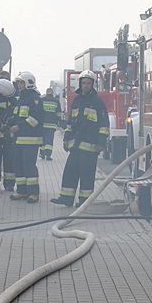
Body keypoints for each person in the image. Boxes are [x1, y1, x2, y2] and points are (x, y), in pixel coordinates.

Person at [51, 70, 109, 207]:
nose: (86, 85)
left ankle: (84, 202)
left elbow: (104, 124)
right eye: (84, 83)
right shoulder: (77, 101)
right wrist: (66, 139)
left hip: (90, 147)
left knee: (87, 176)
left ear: (93, 84)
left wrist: (101, 143)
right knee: (70, 172)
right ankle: (66, 198)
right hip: (75, 146)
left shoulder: (97, 102)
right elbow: (70, 122)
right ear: (80, 83)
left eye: (89, 83)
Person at [9, 71, 44, 203]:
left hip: (31, 140)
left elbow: (36, 118)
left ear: (28, 83)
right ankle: (22, 191)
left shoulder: (35, 99)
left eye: (21, 82)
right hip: (18, 140)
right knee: (18, 165)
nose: (19, 85)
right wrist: (10, 122)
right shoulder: (21, 99)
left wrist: (20, 127)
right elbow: (17, 116)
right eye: (18, 82)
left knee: (29, 166)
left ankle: (34, 193)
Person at [39, 87, 61, 160]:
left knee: (43, 139)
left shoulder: (42, 100)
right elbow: (59, 113)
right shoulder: (56, 101)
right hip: (52, 125)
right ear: (52, 93)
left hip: (42, 124)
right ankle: (48, 155)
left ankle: (42, 154)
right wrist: (58, 123)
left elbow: (38, 112)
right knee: (49, 140)